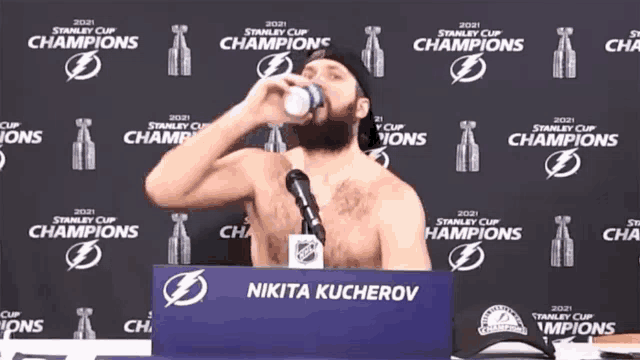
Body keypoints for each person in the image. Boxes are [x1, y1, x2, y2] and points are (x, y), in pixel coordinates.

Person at [145, 45, 431, 270]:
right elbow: (163, 189)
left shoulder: (392, 199)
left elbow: (411, 305)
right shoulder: (262, 170)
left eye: (334, 75)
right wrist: (248, 114)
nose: (316, 83)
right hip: (269, 339)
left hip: (355, 342)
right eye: (308, 75)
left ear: (361, 107)